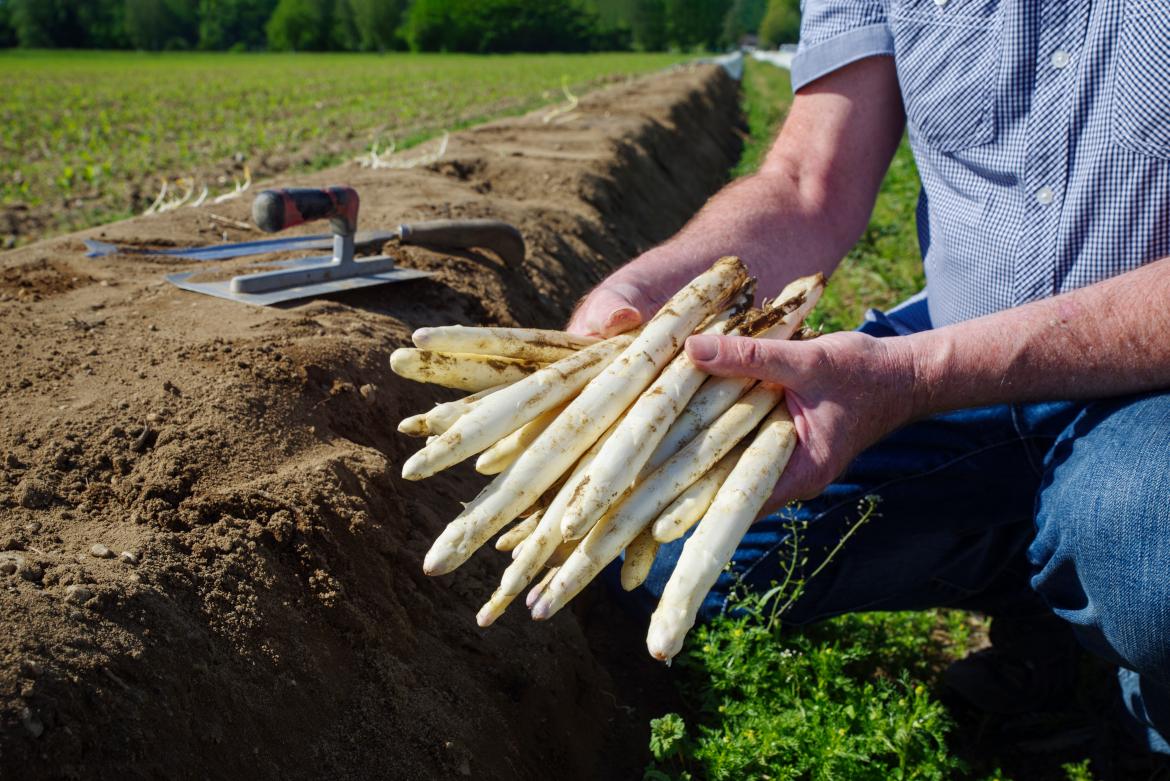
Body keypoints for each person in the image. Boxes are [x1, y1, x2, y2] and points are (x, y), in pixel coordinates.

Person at [567, 0, 1170, 754]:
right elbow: (806, 181)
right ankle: (1050, 585)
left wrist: (911, 376)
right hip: (952, 361)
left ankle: (1133, 678)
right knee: (670, 560)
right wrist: (659, 292)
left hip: (1146, 387)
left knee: (1153, 559)